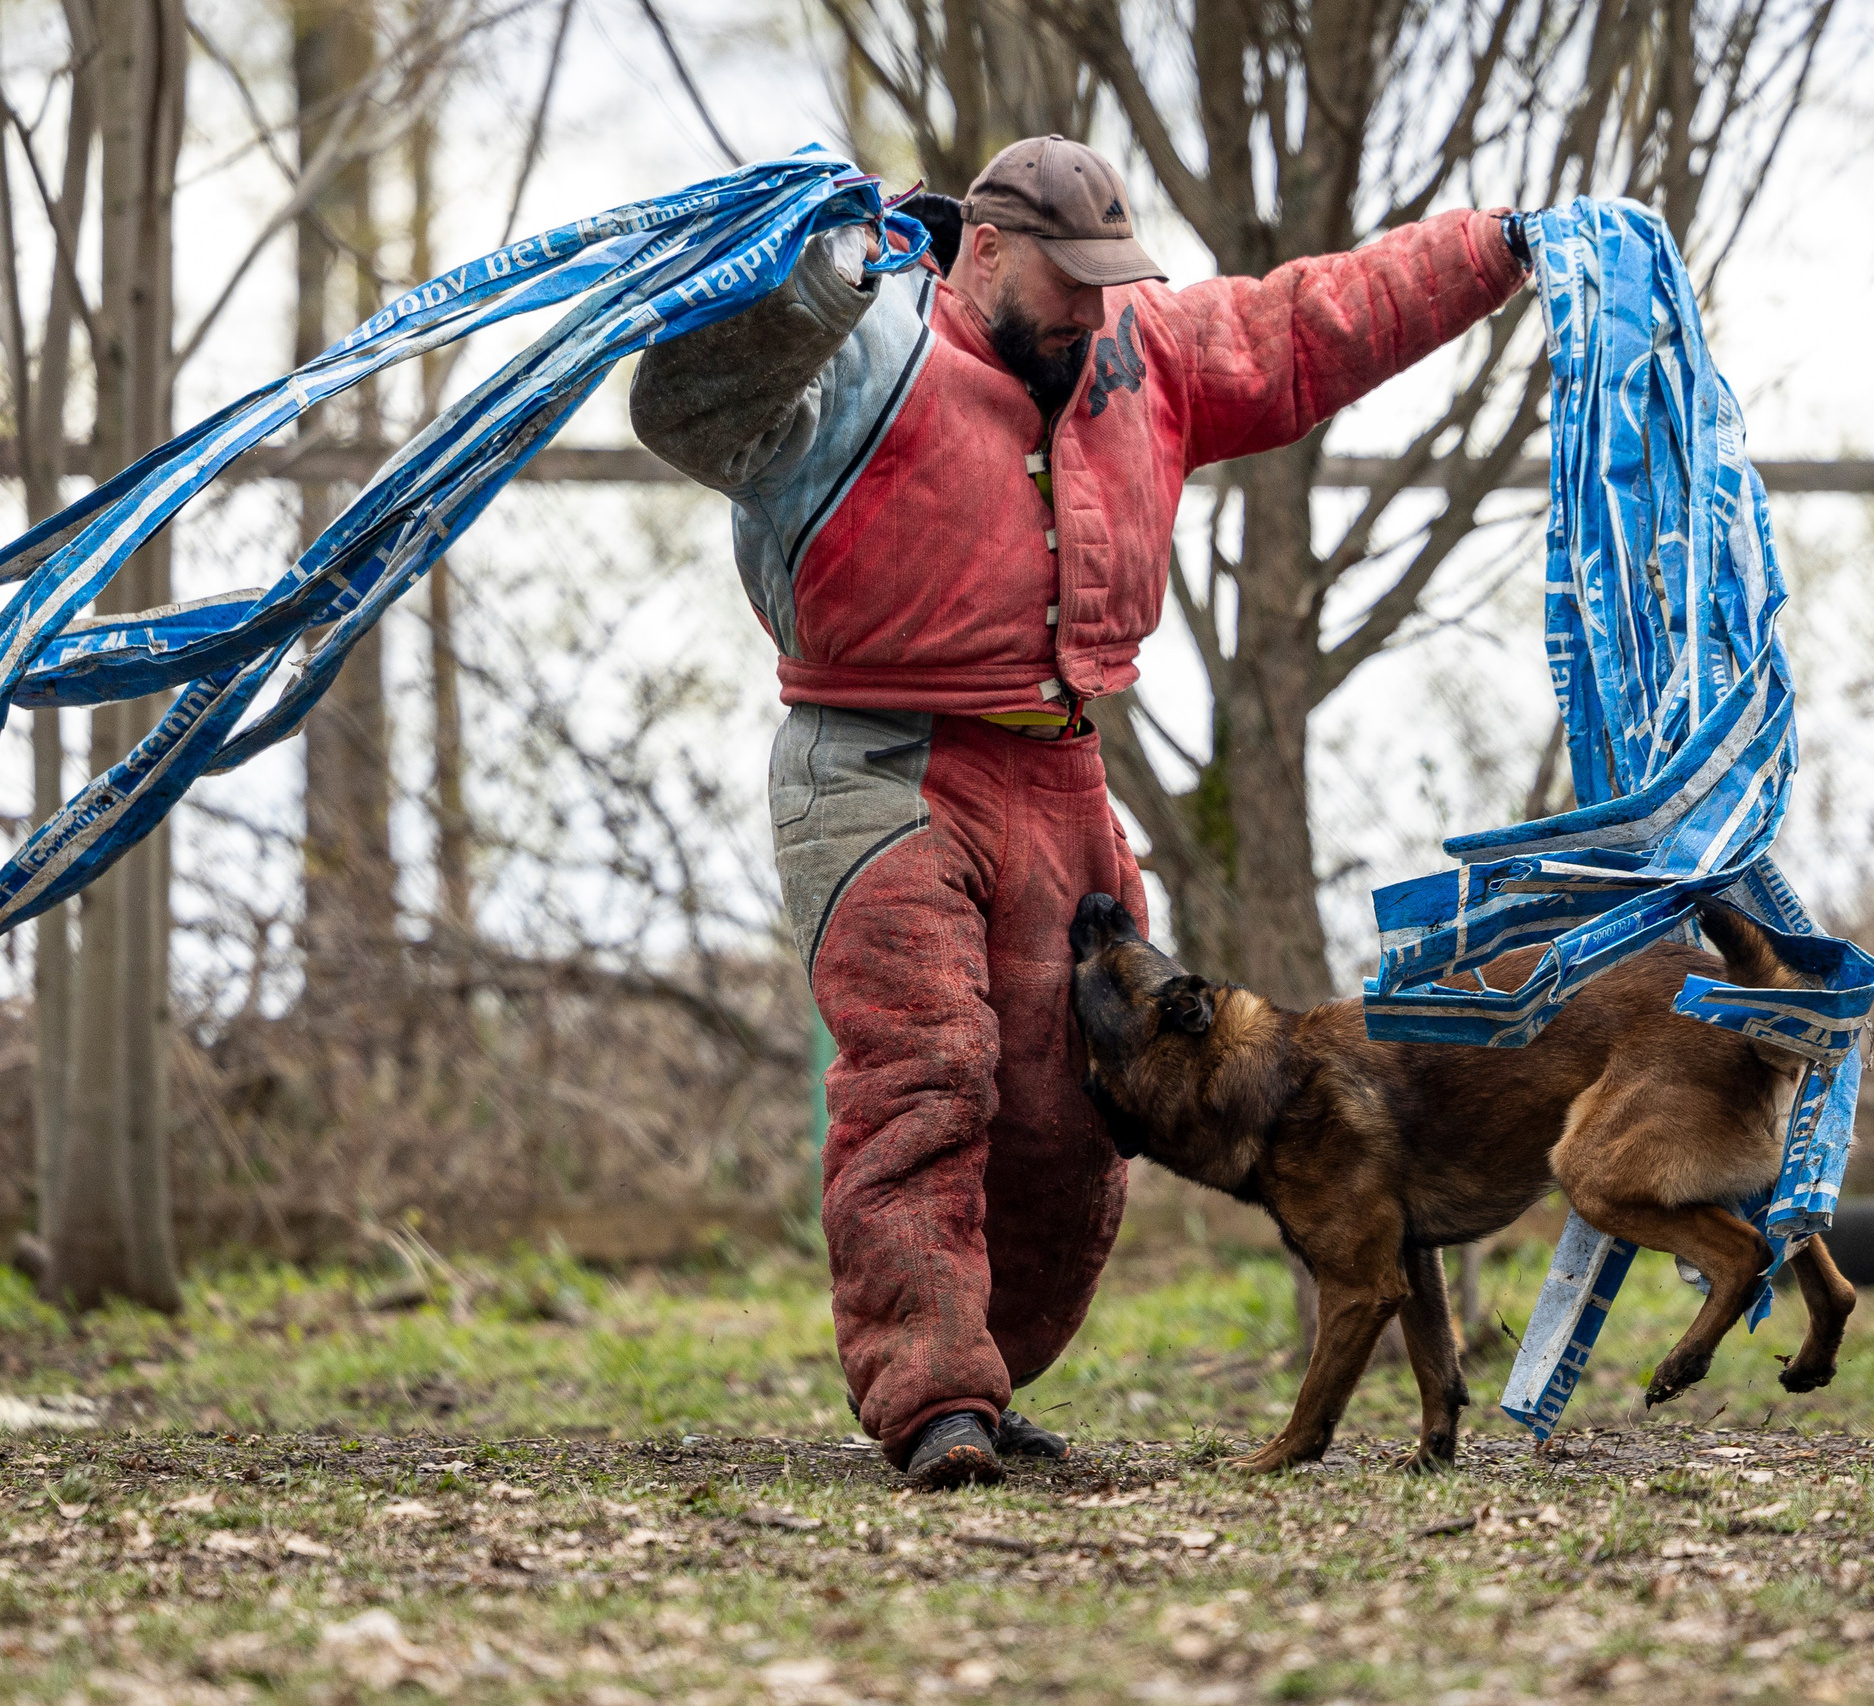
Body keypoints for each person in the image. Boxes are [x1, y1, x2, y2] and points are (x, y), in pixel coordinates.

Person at [629, 136, 1531, 1488]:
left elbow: (1307, 326)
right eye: (1069, 284)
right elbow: (685, 412)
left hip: (1059, 768)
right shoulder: (856, 350)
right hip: (878, 756)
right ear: (983, 254)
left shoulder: (1140, 353)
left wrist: (1500, 248)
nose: (1094, 313)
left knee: (1079, 1110)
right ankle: (933, 1395)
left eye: (1114, 283)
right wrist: (798, 290)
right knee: (926, 1069)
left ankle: (989, 1369)